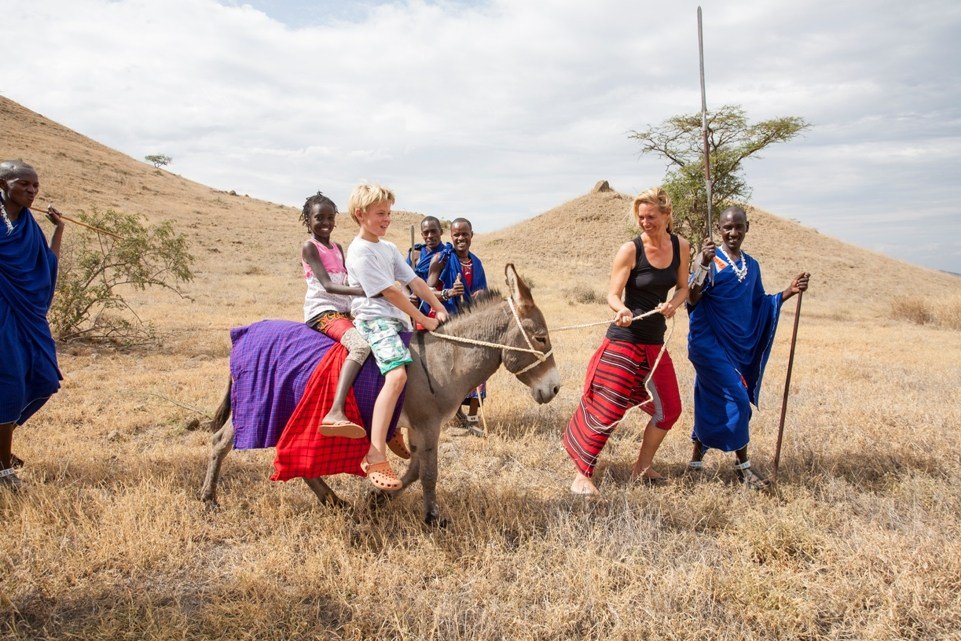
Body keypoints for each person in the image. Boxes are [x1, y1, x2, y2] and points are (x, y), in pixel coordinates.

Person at [563, 187, 690, 495]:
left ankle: (642, 468)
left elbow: (684, 287)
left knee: (670, 409)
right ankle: (583, 474)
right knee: (607, 408)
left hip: (654, 343)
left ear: (666, 215)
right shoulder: (630, 250)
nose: (645, 223)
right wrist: (621, 310)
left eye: (651, 217)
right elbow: (612, 294)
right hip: (624, 339)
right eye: (641, 217)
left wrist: (675, 303)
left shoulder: (682, 246)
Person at [686, 205, 810, 488]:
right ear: (719, 230)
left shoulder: (752, 266)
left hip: (737, 345)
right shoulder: (710, 260)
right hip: (707, 344)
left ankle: (696, 457)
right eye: (727, 227)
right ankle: (744, 468)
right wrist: (702, 263)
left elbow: (759, 303)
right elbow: (692, 299)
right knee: (739, 400)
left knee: (708, 396)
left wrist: (789, 291)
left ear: (747, 228)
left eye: (738, 226)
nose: (732, 232)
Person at [345, 183, 448, 490]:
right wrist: (423, 319)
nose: (387, 219)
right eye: (380, 213)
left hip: (397, 321)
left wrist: (438, 305)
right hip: (376, 321)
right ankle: (375, 453)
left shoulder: (388, 248)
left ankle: (392, 427)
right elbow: (390, 292)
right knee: (397, 377)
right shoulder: (360, 251)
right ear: (360, 214)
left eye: (389, 213)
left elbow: (413, 281)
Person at [0, 160, 65, 491]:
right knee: (9, 384)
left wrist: (58, 229)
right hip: (1, 316)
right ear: (3, 184)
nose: (31, 190)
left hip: (27, 317)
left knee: (42, 376)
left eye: (35, 186)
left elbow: (46, 266)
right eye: (23, 183)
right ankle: (4, 470)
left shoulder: (28, 226)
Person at [299, 192, 373, 439]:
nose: (325, 223)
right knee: (360, 347)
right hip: (323, 311)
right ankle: (336, 410)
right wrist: (361, 290)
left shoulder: (338, 247)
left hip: (345, 310)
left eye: (330, 217)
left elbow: (348, 280)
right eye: (319, 218)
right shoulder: (311, 247)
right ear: (308, 221)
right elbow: (328, 285)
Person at [425, 217, 489, 432]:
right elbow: (426, 291)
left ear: (472, 235)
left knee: (477, 370)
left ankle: (472, 419)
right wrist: (449, 292)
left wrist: (481, 296)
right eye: (456, 235)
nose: (461, 238)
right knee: (450, 374)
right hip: (447, 323)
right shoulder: (441, 259)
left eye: (465, 234)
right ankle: (451, 417)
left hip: (471, 324)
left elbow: (483, 292)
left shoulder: (476, 262)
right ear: (450, 237)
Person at [406, 215, 449, 315]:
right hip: (417, 305)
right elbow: (404, 281)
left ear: (441, 232)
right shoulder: (415, 254)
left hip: (441, 303)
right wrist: (410, 297)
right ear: (422, 235)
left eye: (433, 231)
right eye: (426, 233)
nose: (430, 235)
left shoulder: (447, 255)